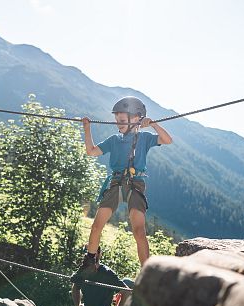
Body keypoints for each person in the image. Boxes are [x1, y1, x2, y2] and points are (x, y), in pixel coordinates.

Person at [74, 96, 172, 277]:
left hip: (136, 183)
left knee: (139, 231)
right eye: (116, 120)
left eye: (121, 120)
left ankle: (146, 274)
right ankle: (89, 261)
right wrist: (87, 129)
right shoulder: (114, 140)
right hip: (116, 182)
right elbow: (91, 151)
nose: (117, 124)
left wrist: (154, 125)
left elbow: (167, 140)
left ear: (136, 118)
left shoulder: (144, 138)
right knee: (96, 226)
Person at [70, 247, 134, 306]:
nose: (92, 255)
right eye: (89, 252)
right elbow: (75, 287)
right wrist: (78, 305)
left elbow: (126, 292)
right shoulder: (82, 271)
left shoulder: (107, 273)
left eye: (95, 252)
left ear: (100, 254)